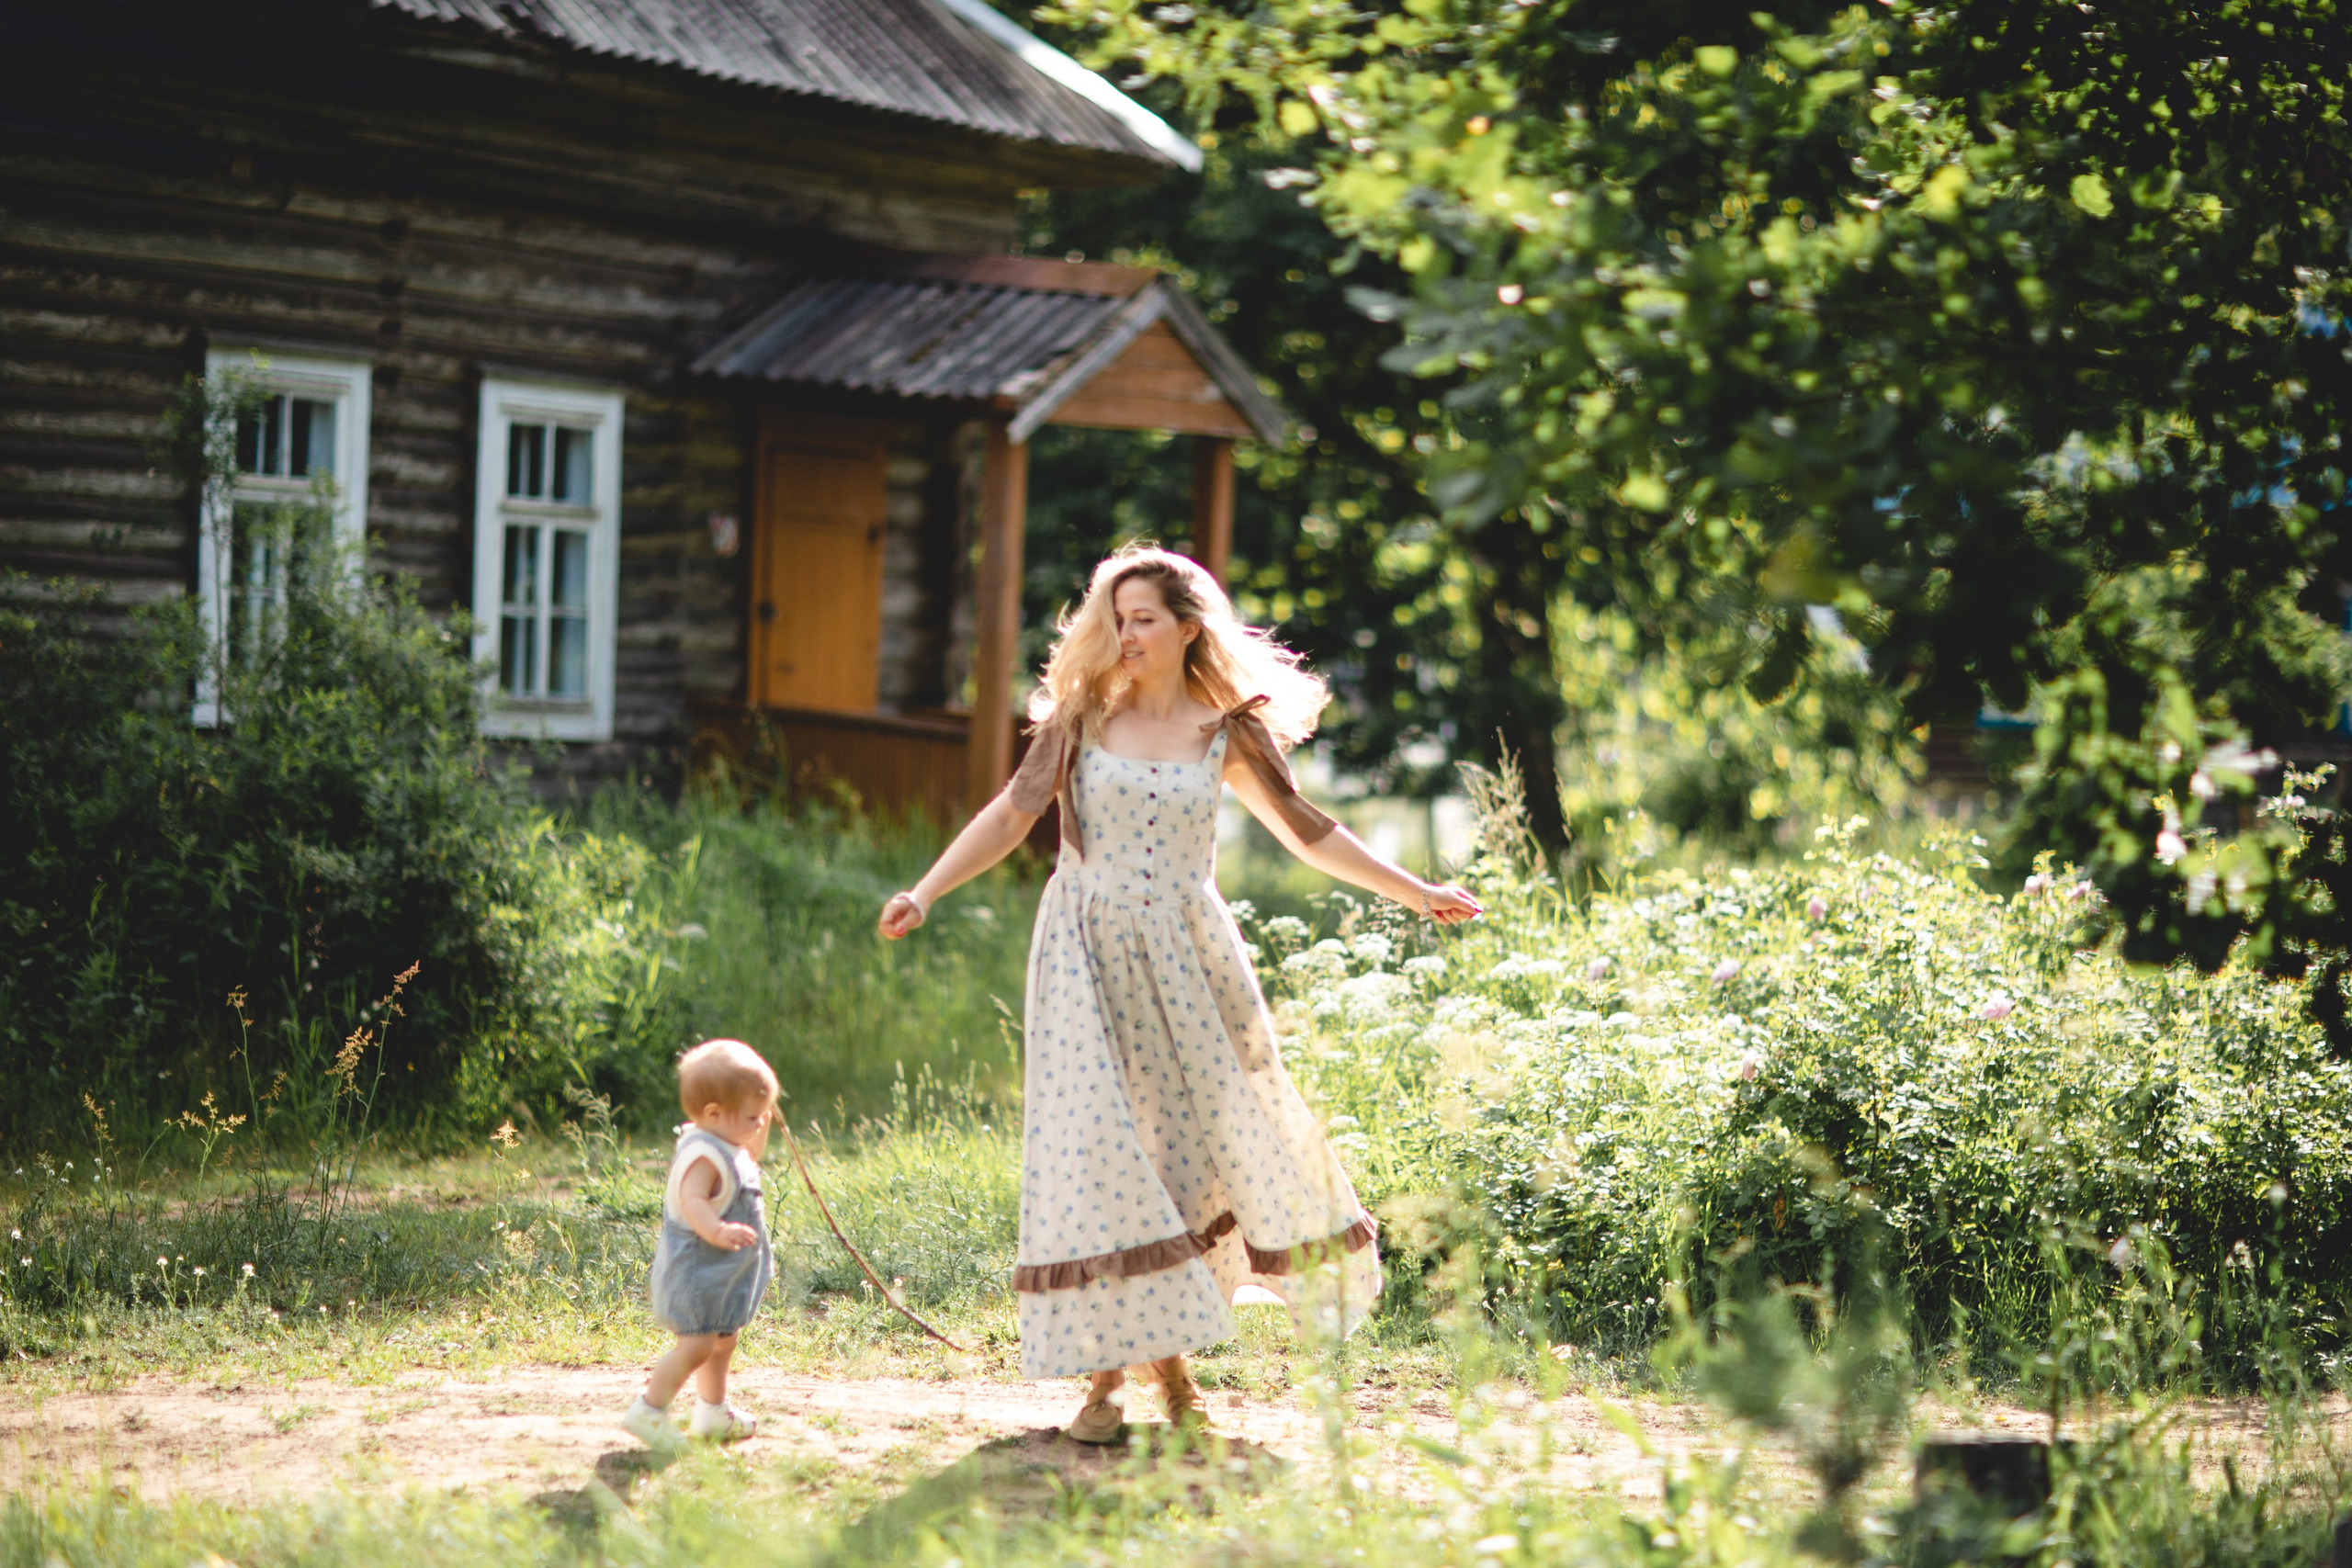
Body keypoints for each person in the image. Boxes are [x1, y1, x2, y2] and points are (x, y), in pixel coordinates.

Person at [878, 544, 1479, 1443]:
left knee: (1181, 1162)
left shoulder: (1225, 727)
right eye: (1115, 617)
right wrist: (925, 890)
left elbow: (1308, 833)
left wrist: (1416, 890)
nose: (1125, 633)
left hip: (1191, 961)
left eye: (1143, 618)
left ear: (1188, 626)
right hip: (1084, 953)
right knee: (1100, 1154)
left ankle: (1162, 1385)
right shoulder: (1079, 717)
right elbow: (1011, 814)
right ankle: (1115, 1388)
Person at [620, 1038, 778, 1450]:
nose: (759, 1124)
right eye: (752, 1117)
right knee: (697, 1345)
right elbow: (692, 1201)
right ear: (713, 1114)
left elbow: (752, 1153)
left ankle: (711, 1411)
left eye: (763, 1116)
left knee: (724, 1339)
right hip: (696, 1271)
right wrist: (716, 1230)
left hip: (720, 1274)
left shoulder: (727, 1139)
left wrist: (762, 1111)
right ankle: (649, 1411)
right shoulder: (704, 1155)